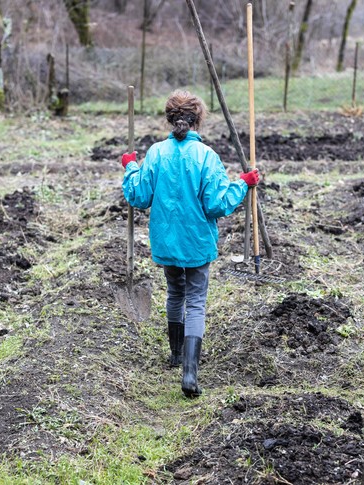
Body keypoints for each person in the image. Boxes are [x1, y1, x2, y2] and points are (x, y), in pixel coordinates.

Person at [121, 90, 259, 398]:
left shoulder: (156, 153)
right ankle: (190, 372)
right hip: (196, 241)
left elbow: (139, 196)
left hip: (166, 241)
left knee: (175, 292)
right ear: (198, 120)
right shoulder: (206, 157)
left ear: (169, 118)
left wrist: (131, 168)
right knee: (196, 300)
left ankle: (176, 354)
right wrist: (243, 184)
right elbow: (217, 205)